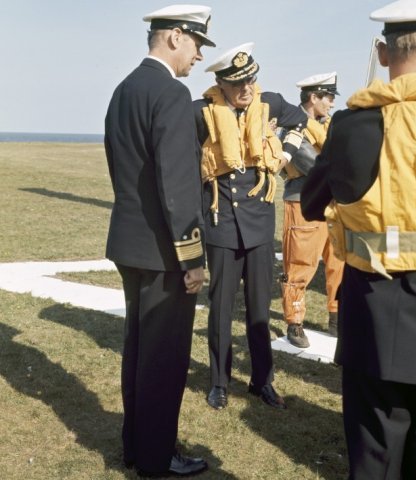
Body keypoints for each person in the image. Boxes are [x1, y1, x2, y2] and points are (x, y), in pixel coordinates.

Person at [301, 0, 416, 478]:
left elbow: (313, 204)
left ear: (383, 54)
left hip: (372, 326)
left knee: (374, 468)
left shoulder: (347, 126)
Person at [104, 5, 215, 478]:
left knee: (138, 352)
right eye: (196, 43)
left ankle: (136, 446)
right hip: (166, 252)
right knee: (164, 360)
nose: (198, 56)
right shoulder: (171, 93)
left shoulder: (124, 89)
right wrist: (192, 258)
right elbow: (178, 184)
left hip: (131, 244)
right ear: (174, 37)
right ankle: (155, 458)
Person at [193, 42, 308, 410]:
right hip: (222, 222)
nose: (246, 88)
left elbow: (301, 120)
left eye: (250, 80)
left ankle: (263, 382)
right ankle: (219, 382)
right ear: (221, 84)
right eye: (237, 83)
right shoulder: (201, 113)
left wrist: (285, 154)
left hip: (259, 222)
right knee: (221, 308)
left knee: (259, 309)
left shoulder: (270, 102)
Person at [281, 72, 344, 348]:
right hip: (304, 201)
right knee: (300, 263)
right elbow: (316, 166)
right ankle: (294, 320)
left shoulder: (329, 126)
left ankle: (337, 316)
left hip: (334, 203)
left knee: (338, 261)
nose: (331, 103)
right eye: (328, 97)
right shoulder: (294, 127)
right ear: (313, 97)